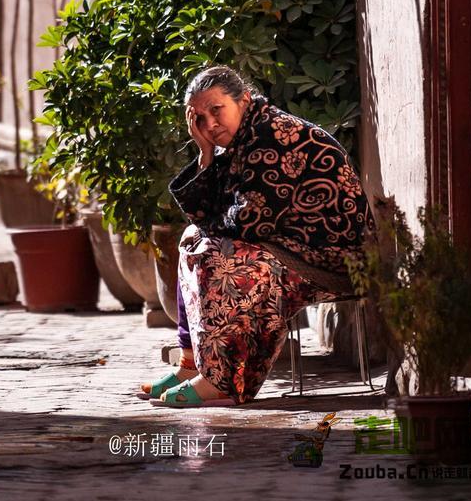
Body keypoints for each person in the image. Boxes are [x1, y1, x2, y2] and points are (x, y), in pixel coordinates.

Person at [138, 65, 374, 408]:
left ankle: (223, 381)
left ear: (244, 99)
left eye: (216, 110)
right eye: (199, 118)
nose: (210, 124)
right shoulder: (239, 139)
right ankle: (192, 364)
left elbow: (250, 223)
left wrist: (211, 230)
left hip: (332, 258)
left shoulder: (274, 136)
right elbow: (209, 218)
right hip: (289, 247)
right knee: (193, 239)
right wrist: (204, 156)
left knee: (218, 256)